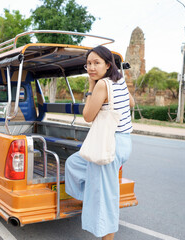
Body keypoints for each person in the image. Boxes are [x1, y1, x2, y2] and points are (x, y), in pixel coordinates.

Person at [64, 45, 135, 240]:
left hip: (109, 144)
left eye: (97, 63)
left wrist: (90, 86)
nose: (92, 68)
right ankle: (90, 199)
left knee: (106, 198)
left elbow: (87, 115)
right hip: (122, 142)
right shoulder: (119, 79)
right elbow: (131, 103)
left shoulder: (102, 85)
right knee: (73, 163)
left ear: (107, 64)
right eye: (88, 64)